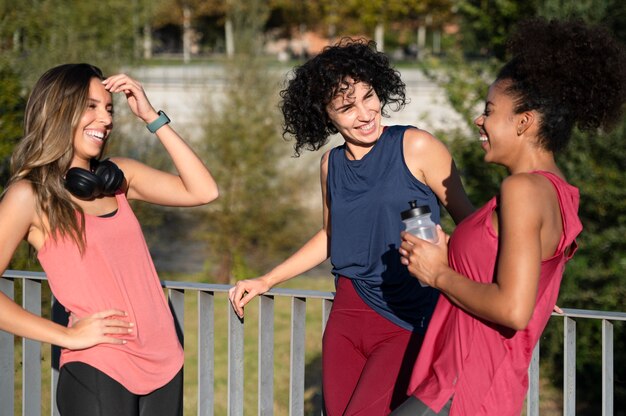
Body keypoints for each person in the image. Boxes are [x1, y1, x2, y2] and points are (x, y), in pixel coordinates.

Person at [391, 18, 626, 416]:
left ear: (524, 121)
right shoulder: (558, 191)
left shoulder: (522, 190)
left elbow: (513, 309)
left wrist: (438, 274)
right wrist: (451, 255)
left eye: (489, 111)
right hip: (476, 388)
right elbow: (514, 279)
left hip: (462, 390)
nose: (479, 121)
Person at [228, 39, 474, 415]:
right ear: (326, 115)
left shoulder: (417, 146)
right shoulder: (331, 165)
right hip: (346, 317)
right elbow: (331, 235)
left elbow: (470, 222)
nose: (365, 113)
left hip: (405, 316)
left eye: (368, 96)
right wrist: (267, 280)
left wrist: (514, 277)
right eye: (346, 106)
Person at [0, 63, 219, 416]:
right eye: (91, 106)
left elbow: (204, 190)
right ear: (58, 109)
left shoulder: (118, 178)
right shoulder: (30, 195)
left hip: (165, 361)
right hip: (101, 366)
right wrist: (67, 336)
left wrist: (151, 116)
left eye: (109, 108)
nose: (105, 119)